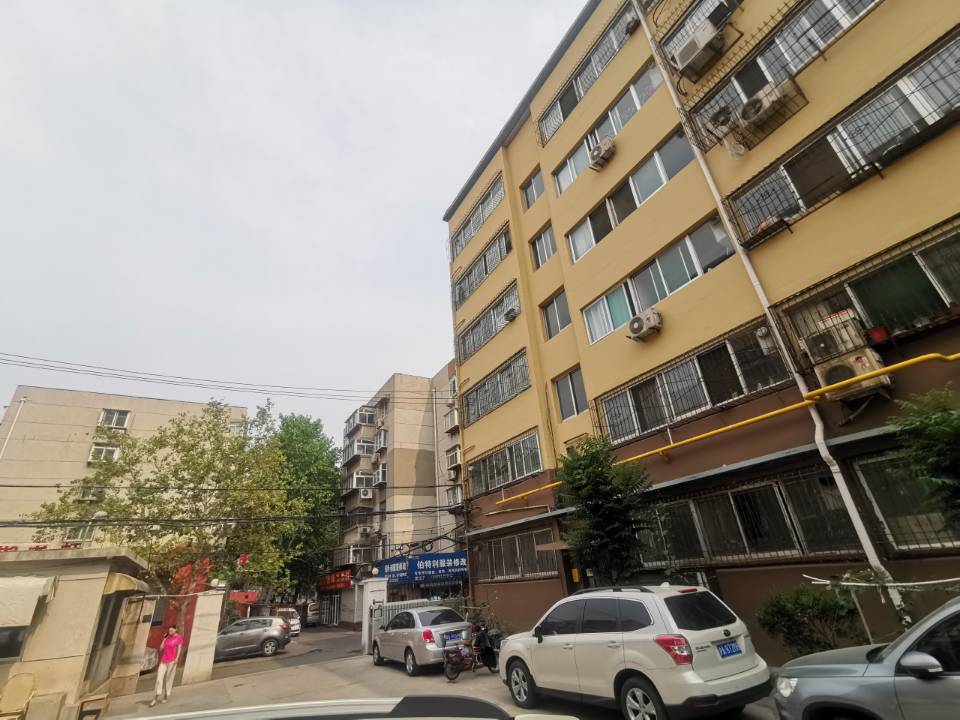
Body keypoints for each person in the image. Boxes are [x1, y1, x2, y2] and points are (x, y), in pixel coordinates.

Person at [150, 625, 184, 707]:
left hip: (172, 661)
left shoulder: (178, 638)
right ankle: (155, 697)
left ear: (175, 630)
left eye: (171, 630)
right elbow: (161, 648)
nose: (170, 632)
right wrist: (164, 638)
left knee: (169, 679)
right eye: (169, 631)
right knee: (159, 678)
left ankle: (166, 695)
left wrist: (177, 658)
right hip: (163, 661)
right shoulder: (167, 638)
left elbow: (179, 648)